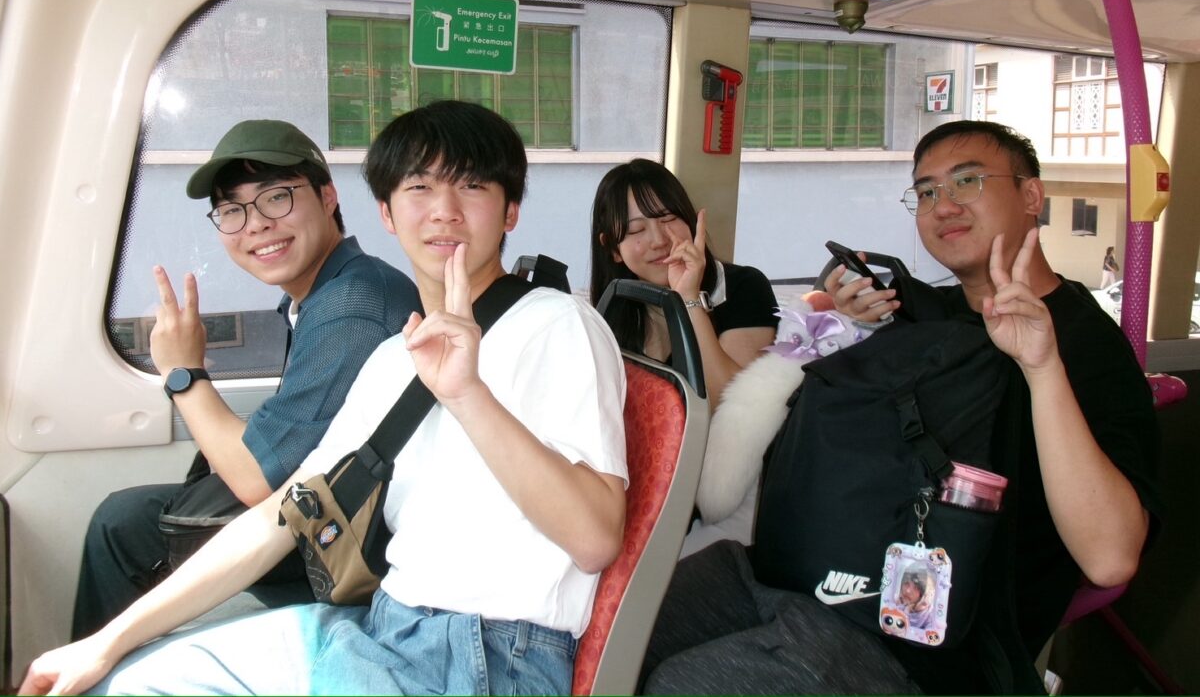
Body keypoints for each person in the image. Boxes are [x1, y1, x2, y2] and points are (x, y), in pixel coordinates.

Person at [24, 100, 627, 697]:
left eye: (471, 185)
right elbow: (280, 515)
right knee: (125, 681)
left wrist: (469, 395)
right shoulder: (394, 357)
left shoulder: (557, 324)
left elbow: (595, 538)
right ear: (387, 213)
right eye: (419, 187)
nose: (444, 210)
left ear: (510, 211)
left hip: (482, 654)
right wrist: (108, 640)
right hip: (380, 625)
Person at [638, 120, 1160, 695]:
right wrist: (847, 329)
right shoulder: (918, 311)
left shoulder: (1085, 345)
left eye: (967, 181)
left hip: (917, 640)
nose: (944, 205)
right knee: (616, 632)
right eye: (927, 191)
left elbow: (1111, 559)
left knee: (681, 684)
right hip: (802, 569)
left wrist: (1041, 368)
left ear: (1031, 195)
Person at [71, 119, 421, 638]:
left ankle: (92, 667)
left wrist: (183, 372)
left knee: (122, 525)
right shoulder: (325, 294)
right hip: (333, 510)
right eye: (232, 210)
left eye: (276, 197)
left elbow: (258, 480)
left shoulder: (352, 305)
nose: (255, 224)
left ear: (327, 196)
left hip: (354, 545)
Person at [589, 159, 776, 554]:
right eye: (636, 230)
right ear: (613, 249)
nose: (659, 239)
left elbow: (733, 407)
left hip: (721, 499)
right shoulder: (616, 308)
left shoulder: (743, 287)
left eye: (668, 219)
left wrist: (688, 298)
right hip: (644, 489)